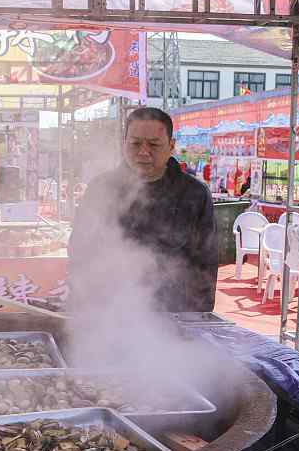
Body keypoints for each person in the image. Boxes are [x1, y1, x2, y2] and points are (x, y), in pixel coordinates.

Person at [69, 106, 217, 313]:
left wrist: (198, 319)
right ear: (124, 144)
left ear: (171, 146)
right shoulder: (100, 189)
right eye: (135, 143)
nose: (143, 152)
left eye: (154, 145)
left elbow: (205, 264)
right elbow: (80, 252)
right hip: (109, 312)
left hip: (173, 313)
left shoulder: (194, 194)